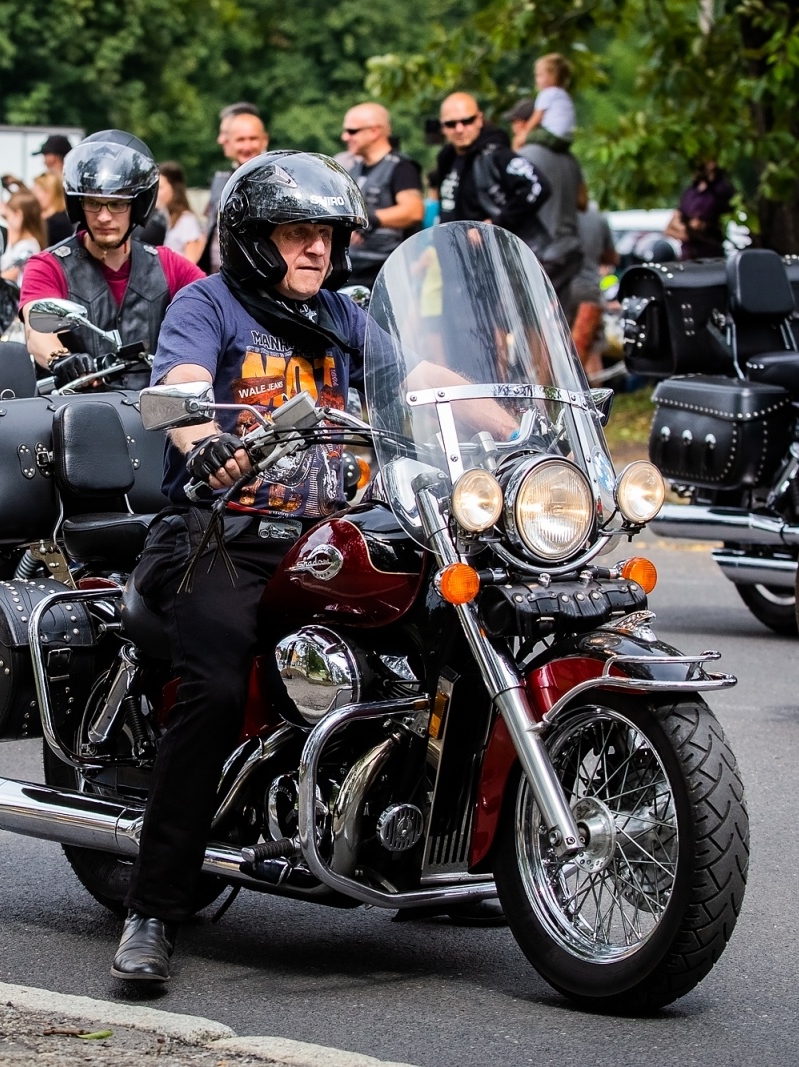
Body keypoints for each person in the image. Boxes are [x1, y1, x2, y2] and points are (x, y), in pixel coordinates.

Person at [112, 151, 373, 983]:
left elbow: (426, 378)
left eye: (327, 236)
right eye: (298, 235)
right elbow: (183, 387)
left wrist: (515, 405)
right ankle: (154, 906)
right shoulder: (207, 303)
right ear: (256, 240)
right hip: (218, 532)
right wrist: (208, 439)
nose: (317, 252)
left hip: (324, 538)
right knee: (217, 686)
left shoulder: (343, 314)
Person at [18, 131, 205, 385]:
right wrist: (61, 359)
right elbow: (36, 328)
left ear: (138, 205)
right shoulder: (48, 265)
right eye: (93, 203)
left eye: (117, 204)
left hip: (151, 415)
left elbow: (213, 308)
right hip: (77, 411)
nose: (104, 216)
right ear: (78, 204)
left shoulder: (167, 264)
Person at [431, 92, 547, 243]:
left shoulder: (495, 154)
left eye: (467, 121)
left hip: (500, 254)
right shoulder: (446, 158)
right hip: (460, 256)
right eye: (451, 124)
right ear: (443, 127)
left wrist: (495, 224)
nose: (459, 129)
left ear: (479, 120)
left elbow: (537, 187)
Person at [337, 102, 424, 287]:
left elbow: (413, 210)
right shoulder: (355, 168)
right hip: (351, 269)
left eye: (352, 131)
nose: (345, 137)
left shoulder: (401, 167)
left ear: (374, 131)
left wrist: (371, 220)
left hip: (384, 272)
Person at [504, 97, 583, 292]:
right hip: (569, 251)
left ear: (526, 124)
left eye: (515, 123)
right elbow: (583, 201)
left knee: (522, 320)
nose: (514, 129)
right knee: (559, 321)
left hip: (539, 253)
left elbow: (509, 200)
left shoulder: (524, 156)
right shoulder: (570, 158)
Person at [202, 108, 270, 272]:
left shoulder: (276, 180)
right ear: (229, 143)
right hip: (217, 273)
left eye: (253, 139)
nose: (247, 146)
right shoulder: (220, 181)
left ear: (264, 140)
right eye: (240, 140)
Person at [570, 187, 618, 380]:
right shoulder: (597, 214)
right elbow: (612, 257)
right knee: (592, 351)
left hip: (557, 290)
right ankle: (596, 406)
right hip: (589, 289)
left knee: (552, 349)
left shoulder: (553, 212)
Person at [666, 160, 735, 259]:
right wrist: (684, 228)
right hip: (687, 256)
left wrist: (685, 228)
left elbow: (696, 226)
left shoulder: (720, 190)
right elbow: (671, 227)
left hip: (710, 255)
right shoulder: (690, 192)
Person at [0, 185, 48, 280]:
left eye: (8, 215)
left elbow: (10, 275)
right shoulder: (20, 242)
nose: (7, 221)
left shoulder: (27, 247)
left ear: (18, 215)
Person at [158, 162, 205, 264]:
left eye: (160, 188)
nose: (156, 193)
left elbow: (191, 263)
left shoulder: (186, 220)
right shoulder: (166, 217)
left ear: (174, 188)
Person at [529, 53, 576, 149]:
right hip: (567, 139)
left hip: (553, 135)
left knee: (520, 139)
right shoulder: (564, 95)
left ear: (553, 76)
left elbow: (536, 118)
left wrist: (525, 132)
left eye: (540, 75)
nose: (536, 79)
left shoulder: (547, 93)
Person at [34, 171, 73, 245]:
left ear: (54, 193)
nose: (36, 194)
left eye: (41, 190)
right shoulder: (43, 218)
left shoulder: (58, 223)